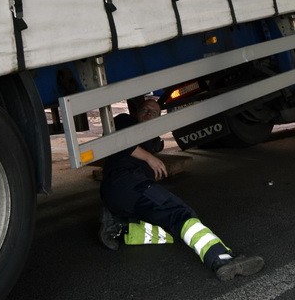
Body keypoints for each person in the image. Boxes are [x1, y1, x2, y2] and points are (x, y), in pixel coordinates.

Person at [98, 97, 264, 281]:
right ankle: (221, 259)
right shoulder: (125, 121)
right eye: (145, 109)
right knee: (180, 214)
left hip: (121, 195)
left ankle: (120, 227)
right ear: (136, 112)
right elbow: (115, 142)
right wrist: (149, 159)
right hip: (127, 182)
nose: (148, 113)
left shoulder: (150, 140)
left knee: (173, 229)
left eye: (154, 113)